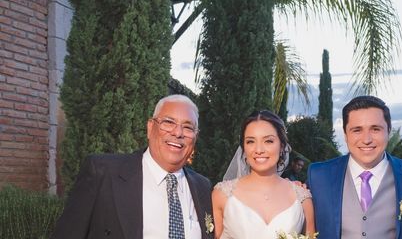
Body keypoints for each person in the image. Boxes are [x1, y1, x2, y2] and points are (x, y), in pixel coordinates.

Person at [52, 94, 213, 239]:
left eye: (188, 127)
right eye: (169, 122)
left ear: (195, 137)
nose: (178, 133)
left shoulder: (203, 188)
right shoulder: (103, 173)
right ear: (150, 128)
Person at [307, 95, 402, 239]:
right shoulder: (318, 175)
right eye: (357, 130)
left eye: (375, 129)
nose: (366, 140)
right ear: (345, 134)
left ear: (388, 131)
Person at [212, 110, 315, 239]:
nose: (259, 150)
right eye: (250, 141)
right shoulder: (221, 195)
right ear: (243, 147)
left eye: (268, 141)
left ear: (282, 146)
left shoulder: (302, 198)